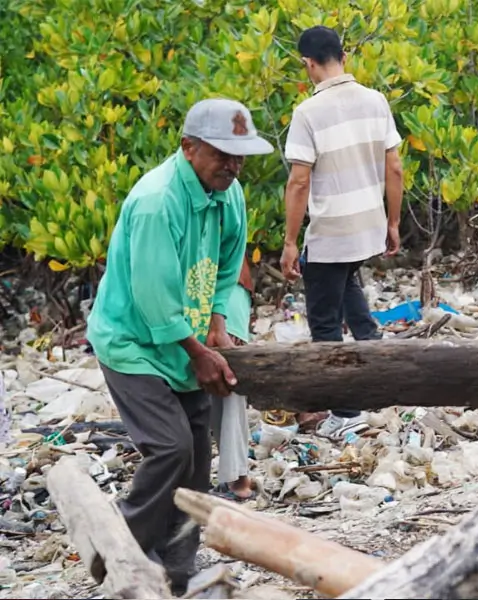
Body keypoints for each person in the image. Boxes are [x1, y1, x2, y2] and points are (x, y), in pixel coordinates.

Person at [85, 98, 272, 593]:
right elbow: (152, 298)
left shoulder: (227, 192)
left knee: (194, 462)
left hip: (181, 339)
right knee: (168, 448)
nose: (232, 166)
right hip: (133, 342)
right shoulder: (156, 201)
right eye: (221, 155)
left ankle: (177, 571)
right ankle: (119, 544)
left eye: (239, 157)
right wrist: (199, 351)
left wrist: (216, 324)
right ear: (189, 148)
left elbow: (230, 259)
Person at [280, 25, 403, 442]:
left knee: (325, 324)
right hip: (367, 225)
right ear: (344, 57)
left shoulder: (307, 113)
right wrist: (393, 222)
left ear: (309, 64)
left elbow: (299, 182)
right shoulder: (376, 100)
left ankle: (346, 411)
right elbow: (395, 167)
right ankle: (378, 381)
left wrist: (290, 242)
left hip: (331, 231)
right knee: (350, 290)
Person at [210, 257, 256, 501]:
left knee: (228, 378)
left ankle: (237, 477)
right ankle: (236, 477)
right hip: (210, 287)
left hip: (225, 287)